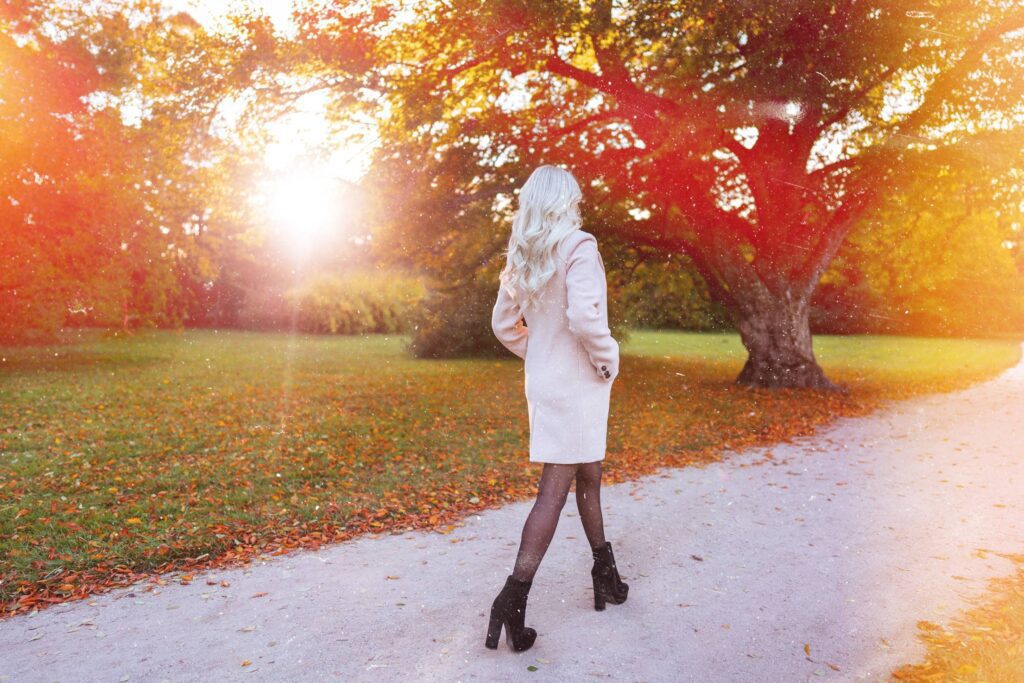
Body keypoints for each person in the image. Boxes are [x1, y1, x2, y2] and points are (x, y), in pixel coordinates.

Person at [484, 164, 629, 653]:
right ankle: (512, 597)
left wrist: (541, 355)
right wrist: (608, 360)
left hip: (549, 384)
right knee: (555, 491)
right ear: (567, 199)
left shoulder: (527, 249)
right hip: (580, 384)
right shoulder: (578, 246)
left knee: (589, 471)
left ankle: (605, 572)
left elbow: (505, 325)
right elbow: (585, 318)